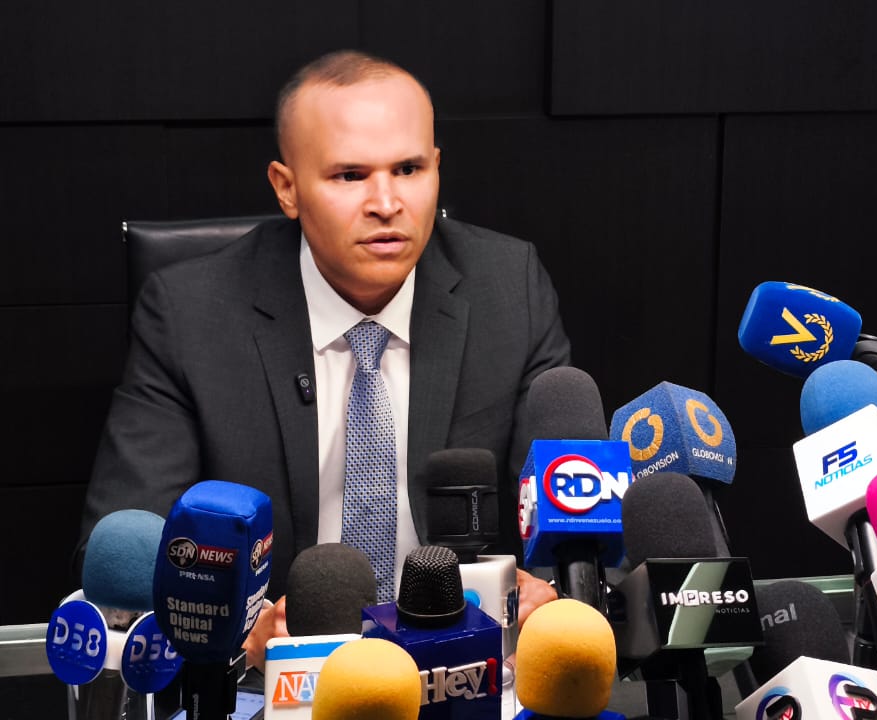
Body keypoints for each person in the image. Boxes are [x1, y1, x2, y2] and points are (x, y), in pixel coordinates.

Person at [76, 50, 568, 670]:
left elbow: (572, 516)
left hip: (466, 669)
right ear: (287, 188)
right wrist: (231, 629)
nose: (386, 201)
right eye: (350, 175)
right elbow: (123, 549)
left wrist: (547, 589)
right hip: (275, 679)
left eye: (409, 168)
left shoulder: (510, 290)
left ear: (437, 168)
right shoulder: (190, 316)